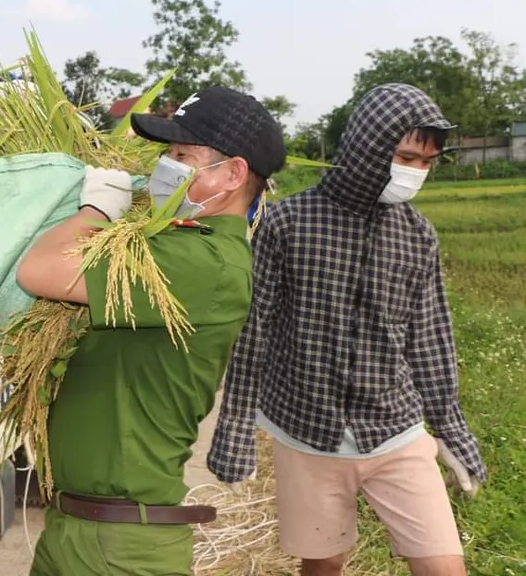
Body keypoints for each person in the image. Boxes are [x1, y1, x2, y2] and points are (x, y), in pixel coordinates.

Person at [207, 83, 486, 576]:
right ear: (367, 146)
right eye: (405, 157)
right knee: (324, 564)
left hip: (395, 429)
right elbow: (254, 333)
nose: (414, 172)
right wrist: (234, 430)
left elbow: (430, 339)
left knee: (445, 566)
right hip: (306, 432)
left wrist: (451, 430)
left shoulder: (416, 234)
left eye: (426, 162)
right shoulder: (289, 222)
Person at [15, 86, 287, 575]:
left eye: (183, 155)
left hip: (122, 548)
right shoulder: (173, 245)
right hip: (78, 529)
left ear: (233, 173)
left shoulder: (204, 263)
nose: (167, 165)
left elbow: (38, 269)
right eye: (167, 152)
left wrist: (95, 211)